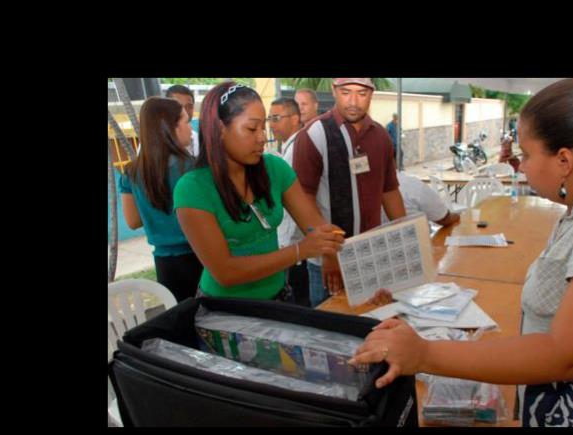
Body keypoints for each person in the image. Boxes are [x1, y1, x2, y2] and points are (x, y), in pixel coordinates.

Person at [349, 79, 573, 427]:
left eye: (526, 155)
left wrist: (426, 353)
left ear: (564, 160)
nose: (520, 166)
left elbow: (567, 354)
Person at [172, 81, 345, 301]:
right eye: (252, 128)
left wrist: (328, 246)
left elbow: (314, 227)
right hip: (227, 312)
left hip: (278, 298)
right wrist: (300, 250)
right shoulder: (192, 189)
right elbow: (226, 272)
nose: (263, 137)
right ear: (219, 129)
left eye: (264, 127)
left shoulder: (274, 168)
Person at [292, 78, 407, 306]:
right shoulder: (313, 135)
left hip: (370, 255)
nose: (353, 101)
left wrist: (406, 238)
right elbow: (302, 201)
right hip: (328, 261)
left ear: (371, 94)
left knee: (371, 324)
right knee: (331, 331)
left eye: (361, 93)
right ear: (334, 91)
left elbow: (390, 191)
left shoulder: (381, 137)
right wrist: (328, 252)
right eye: (346, 92)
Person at [119, 97, 203, 302]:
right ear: (170, 127)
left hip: (165, 265)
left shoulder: (131, 172)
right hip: (201, 257)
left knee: (181, 321)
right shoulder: (194, 168)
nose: (190, 130)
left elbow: (133, 221)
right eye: (185, 122)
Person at [268, 97, 310, 306]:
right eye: (270, 119)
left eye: (276, 118)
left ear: (295, 119)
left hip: (297, 244)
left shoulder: (298, 148)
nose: (270, 125)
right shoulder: (288, 148)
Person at [382, 172, 460, 228]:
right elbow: (443, 218)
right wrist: (460, 215)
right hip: (419, 243)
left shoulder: (373, 189)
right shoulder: (411, 184)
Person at [166, 85, 200, 157]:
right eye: (178, 106)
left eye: (189, 106)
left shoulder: (198, 139)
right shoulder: (153, 141)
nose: (184, 111)